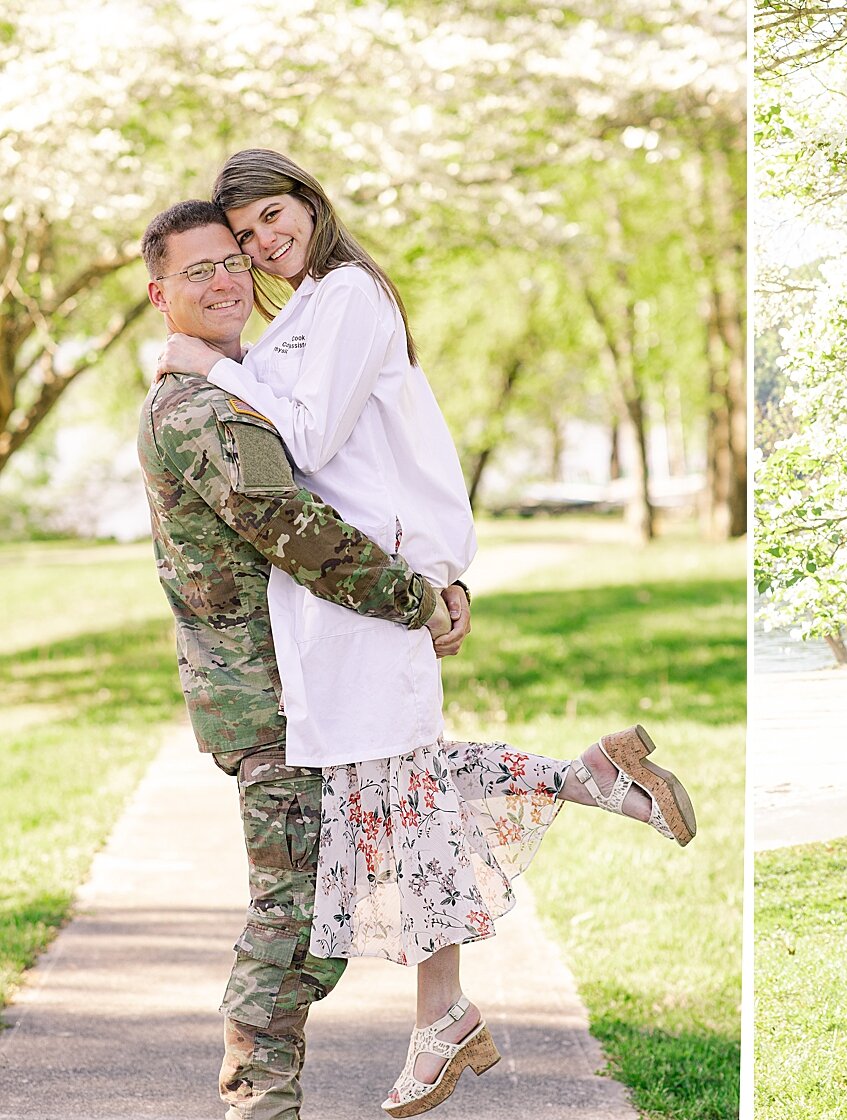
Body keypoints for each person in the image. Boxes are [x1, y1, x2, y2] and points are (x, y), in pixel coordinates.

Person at [155, 152, 696, 1118]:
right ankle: (578, 794)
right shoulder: (307, 313)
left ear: (312, 204)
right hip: (350, 601)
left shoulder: (350, 295)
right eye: (237, 241)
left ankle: (440, 1009)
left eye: (270, 221)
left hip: (361, 593)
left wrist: (213, 366)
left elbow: (310, 450)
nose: (256, 250)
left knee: (395, 786)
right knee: (400, 782)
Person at [137, 199, 468, 1120]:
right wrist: (417, 598)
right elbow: (296, 528)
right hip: (271, 702)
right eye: (196, 270)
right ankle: (258, 1106)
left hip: (305, 690)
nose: (223, 278)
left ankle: (592, 777)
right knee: (293, 932)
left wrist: (439, 575)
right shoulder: (201, 409)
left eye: (232, 259)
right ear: (159, 292)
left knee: (349, 876)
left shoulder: (233, 382)